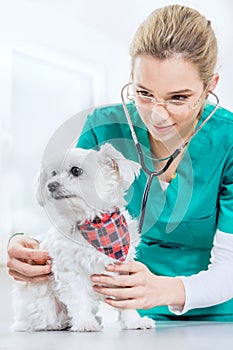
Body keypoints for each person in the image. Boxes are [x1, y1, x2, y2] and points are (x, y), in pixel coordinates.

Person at [7, 4, 233, 321]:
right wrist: (23, 245)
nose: (157, 114)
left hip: (219, 319)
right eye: (143, 92)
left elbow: (230, 265)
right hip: (133, 320)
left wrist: (165, 290)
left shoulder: (228, 141)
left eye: (178, 98)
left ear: (210, 87)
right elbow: (67, 223)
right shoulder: (104, 128)